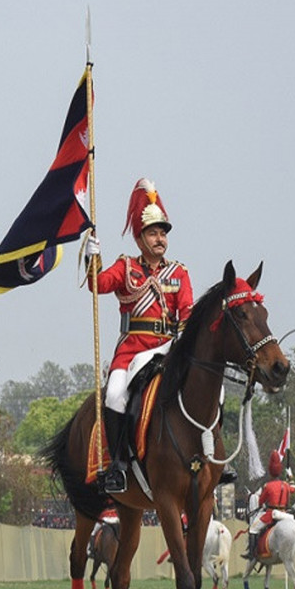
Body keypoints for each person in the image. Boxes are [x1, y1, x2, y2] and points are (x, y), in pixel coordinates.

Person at [85, 178, 194, 493]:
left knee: (209, 390)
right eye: (153, 233)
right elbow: (97, 285)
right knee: (115, 395)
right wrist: (93, 256)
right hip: (132, 351)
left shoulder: (178, 273)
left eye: (163, 233)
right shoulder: (126, 268)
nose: (160, 239)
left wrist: (183, 346)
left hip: (168, 348)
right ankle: (119, 465)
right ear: (140, 237)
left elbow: (186, 312)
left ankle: (211, 459)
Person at [242, 450, 293, 560]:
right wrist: (290, 477)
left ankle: (252, 554)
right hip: (285, 514)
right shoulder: (286, 485)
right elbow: (293, 489)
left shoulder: (268, 486)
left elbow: (260, 502)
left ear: (270, 471)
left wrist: (264, 505)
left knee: (253, 529)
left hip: (272, 514)